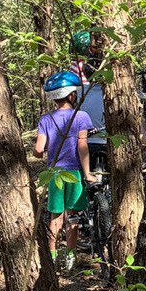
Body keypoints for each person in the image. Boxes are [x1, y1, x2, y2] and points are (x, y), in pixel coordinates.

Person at [34, 70, 96, 271]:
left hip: (54, 175)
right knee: (73, 216)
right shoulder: (81, 117)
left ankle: (51, 257)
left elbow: (37, 149)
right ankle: (70, 256)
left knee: (55, 216)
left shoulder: (45, 119)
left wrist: (41, 152)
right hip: (74, 174)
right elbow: (82, 147)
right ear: (72, 95)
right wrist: (87, 174)